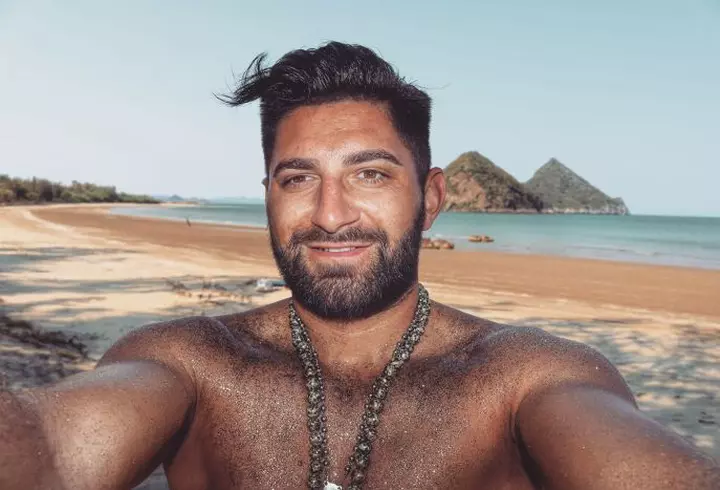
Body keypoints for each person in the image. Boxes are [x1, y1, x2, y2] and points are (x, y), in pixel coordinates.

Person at [1, 42, 718, 490]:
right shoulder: (186, 361)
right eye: (298, 178)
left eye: (370, 174)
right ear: (268, 195)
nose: (331, 214)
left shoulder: (529, 377)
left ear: (430, 198)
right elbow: (51, 454)